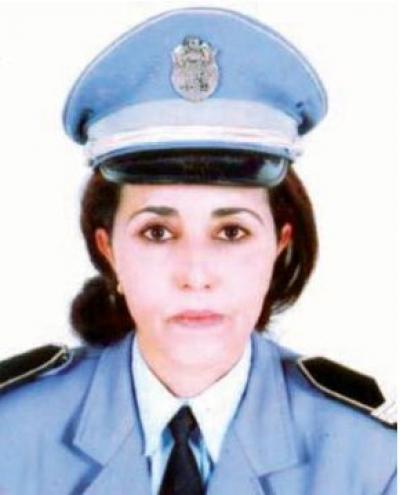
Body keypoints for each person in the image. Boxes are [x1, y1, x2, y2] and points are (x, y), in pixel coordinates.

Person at [0, 7, 396, 495]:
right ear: (108, 251)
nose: (195, 274)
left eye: (231, 232)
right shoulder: (9, 437)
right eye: (157, 233)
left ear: (280, 245)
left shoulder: (372, 459)